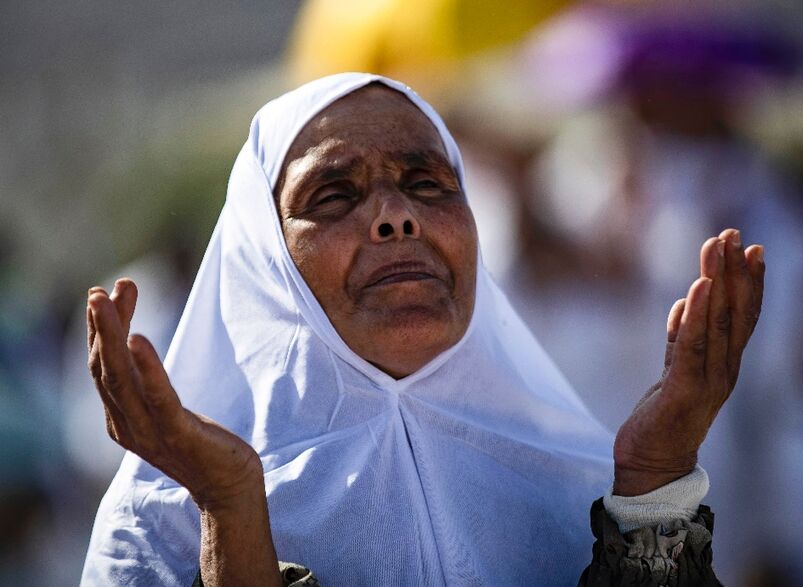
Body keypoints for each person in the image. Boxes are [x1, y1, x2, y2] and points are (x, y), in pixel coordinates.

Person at [81, 73, 764, 586]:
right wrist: (229, 511)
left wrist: (655, 478)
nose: (395, 216)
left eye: (429, 183)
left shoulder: (572, 481)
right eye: (335, 195)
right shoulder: (166, 509)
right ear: (267, 261)